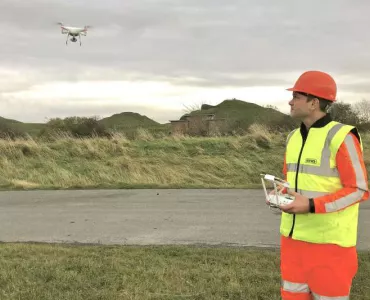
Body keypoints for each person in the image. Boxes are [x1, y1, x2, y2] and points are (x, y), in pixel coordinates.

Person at [277, 70, 369, 299]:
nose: (290, 101)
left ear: (314, 102)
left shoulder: (342, 136)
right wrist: (281, 191)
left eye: (297, 96)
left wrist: (310, 205)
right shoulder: (293, 137)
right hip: (292, 242)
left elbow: (358, 190)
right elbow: (290, 179)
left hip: (329, 246)